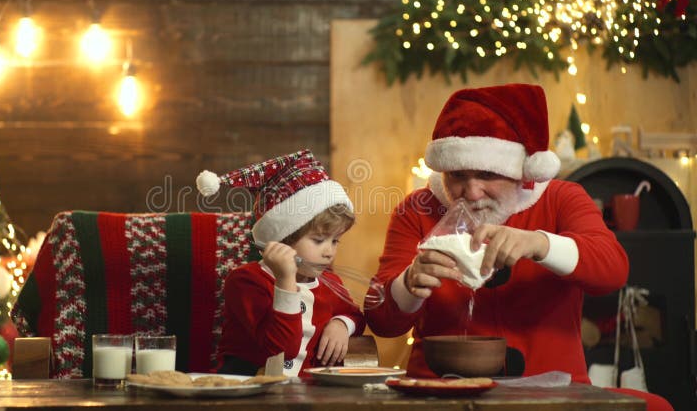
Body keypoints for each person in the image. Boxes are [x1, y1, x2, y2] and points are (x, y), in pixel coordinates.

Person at [365, 84, 672, 411]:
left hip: (553, 393)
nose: (471, 192)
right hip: (440, 392)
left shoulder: (560, 199)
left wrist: (541, 243)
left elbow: (613, 270)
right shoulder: (418, 209)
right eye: (457, 175)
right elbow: (380, 318)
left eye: (487, 174)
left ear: (518, 171)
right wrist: (408, 285)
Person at [196, 149, 364, 377]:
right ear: (283, 239)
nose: (329, 252)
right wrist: (286, 280)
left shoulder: (330, 282)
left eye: (335, 241)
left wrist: (342, 324)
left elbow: (355, 315)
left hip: (309, 392)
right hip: (249, 389)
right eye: (318, 240)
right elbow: (284, 349)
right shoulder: (246, 281)